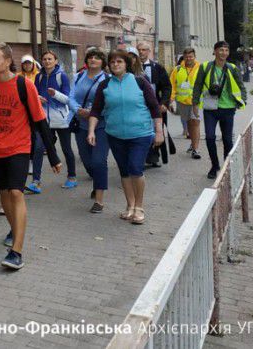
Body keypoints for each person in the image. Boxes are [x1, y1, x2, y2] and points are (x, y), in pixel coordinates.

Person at [0, 43, 61, 270]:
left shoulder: (24, 85)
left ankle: (16, 251)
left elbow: (40, 121)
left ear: (7, 60)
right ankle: (14, 228)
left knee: (16, 192)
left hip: (19, 147)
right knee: (4, 196)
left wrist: (53, 155)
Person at [88, 49, 163, 225]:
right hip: (115, 134)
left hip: (140, 133)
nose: (116, 65)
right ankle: (130, 206)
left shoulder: (140, 82)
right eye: (113, 62)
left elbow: (154, 107)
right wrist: (91, 131)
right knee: (124, 171)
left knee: (135, 168)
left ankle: (139, 207)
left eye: (119, 62)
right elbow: (96, 110)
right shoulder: (105, 85)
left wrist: (159, 131)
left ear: (126, 64)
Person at [192, 41, 247, 180]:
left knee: (227, 139)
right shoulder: (205, 66)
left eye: (226, 50)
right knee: (210, 137)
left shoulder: (232, 68)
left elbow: (241, 86)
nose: (224, 53)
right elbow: (197, 86)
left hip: (228, 108)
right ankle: (214, 165)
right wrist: (195, 103)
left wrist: (243, 100)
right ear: (215, 51)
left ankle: (227, 166)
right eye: (221, 50)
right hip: (210, 108)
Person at [69, 47, 109, 213]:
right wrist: (78, 110)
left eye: (97, 58)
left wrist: (93, 112)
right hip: (81, 124)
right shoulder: (78, 76)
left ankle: (99, 200)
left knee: (99, 161)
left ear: (102, 62)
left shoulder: (107, 79)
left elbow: (109, 102)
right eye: (91, 57)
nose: (93, 60)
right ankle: (97, 179)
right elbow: (70, 96)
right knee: (87, 160)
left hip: (101, 125)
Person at [29, 51, 75, 193]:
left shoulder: (62, 76)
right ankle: (36, 182)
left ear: (55, 61)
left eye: (50, 59)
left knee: (66, 149)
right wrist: (37, 97)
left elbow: (68, 98)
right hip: (44, 120)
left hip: (61, 119)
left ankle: (72, 177)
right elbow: (34, 94)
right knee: (37, 148)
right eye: (44, 59)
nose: (47, 61)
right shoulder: (39, 76)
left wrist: (55, 94)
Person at [138, 42, 172, 169]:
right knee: (141, 130)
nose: (141, 52)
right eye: (139, 50)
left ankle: (154, 156)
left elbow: (167, 87)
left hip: (155, 105)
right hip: (138, 105)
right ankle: (140, 156)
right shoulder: (130, 69)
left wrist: (164, 103)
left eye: (144, 50)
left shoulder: (157, 67)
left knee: (157, 130)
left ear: (149, 51)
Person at [169, 48, 202, 160]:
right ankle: (193, 144)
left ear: (194, 56)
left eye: (191, 56)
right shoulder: (177, 69)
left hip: (197, 102)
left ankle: (196, 149)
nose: (189, 58)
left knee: (195, 122)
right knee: (189, 124)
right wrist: (171, 99)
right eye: (187, 56)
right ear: (183, 57)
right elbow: (172, 85)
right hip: (182, 102)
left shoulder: (201, 68)